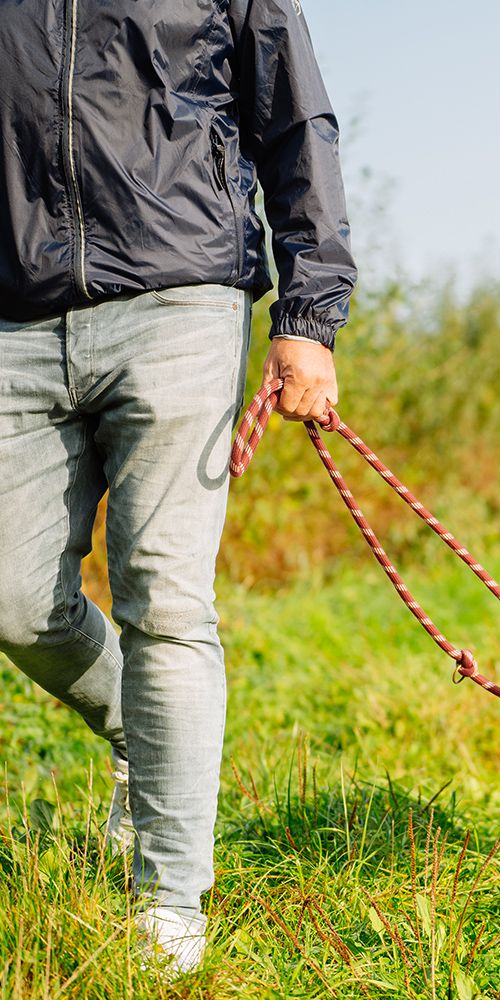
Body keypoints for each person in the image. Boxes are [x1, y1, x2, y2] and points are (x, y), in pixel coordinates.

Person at [0, 0, 355, 973]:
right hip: (16, 316)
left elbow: (296, 122)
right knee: (11, 593)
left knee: (164, 593)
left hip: (180, 298)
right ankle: (137, 730)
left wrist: (309, 314)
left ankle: (168, 896)